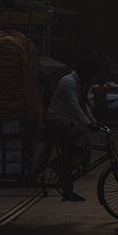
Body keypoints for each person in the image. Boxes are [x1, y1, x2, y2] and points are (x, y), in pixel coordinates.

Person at [43, 57, 99, 202]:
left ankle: (67, 188)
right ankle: (58, 164)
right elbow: (75, 106)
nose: (91, 79)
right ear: (85, 73)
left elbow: (84, 105)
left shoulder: (79, 84)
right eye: (91, 75)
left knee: (77, 148)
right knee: (80, 139)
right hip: (56, 120)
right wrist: (87, 123)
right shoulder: (69, 82)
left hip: (67, 121)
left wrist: (94, 122)